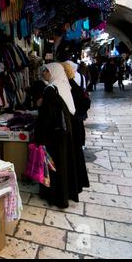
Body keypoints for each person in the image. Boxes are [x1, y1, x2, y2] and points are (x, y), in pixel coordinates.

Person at [35, 63, 83, 208]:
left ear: (53, 72)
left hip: (53, 135)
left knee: (54, 165)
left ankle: (56, 196)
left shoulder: (51, 89)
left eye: (46, 71)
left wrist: (39, 136)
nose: (43, 73)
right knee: (63, 163)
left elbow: (46, 115)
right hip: (64, 132)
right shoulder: (64, 85)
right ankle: (66, 193)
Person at [61, 62, 90, 190]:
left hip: (73, 125)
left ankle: (73, 183)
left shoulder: (68, 87)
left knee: (73, 154)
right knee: (76, 154)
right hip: (77, 124)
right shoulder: (73, 85)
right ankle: (77, 182)